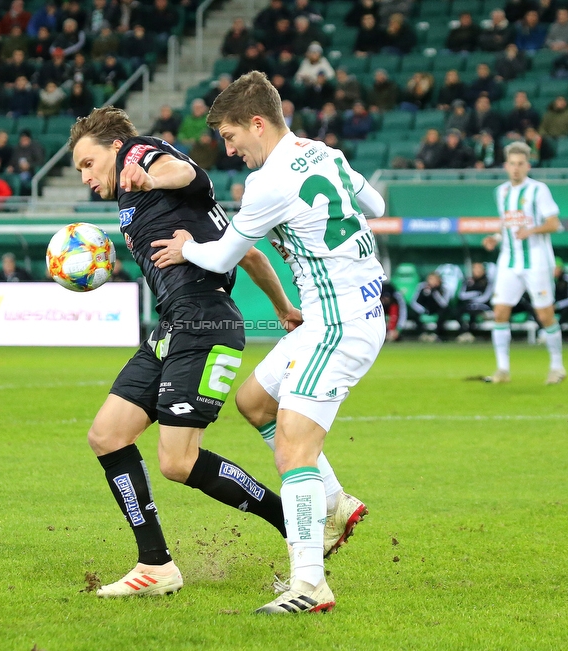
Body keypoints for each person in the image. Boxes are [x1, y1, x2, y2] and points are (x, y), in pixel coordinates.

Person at [150, 71, 386, 614]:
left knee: (292, 448)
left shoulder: (268, 182)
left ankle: (310, 584)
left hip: (340, 321)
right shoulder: (323, 152)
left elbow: (220, 258)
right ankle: (335, 504)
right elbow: (371, 205)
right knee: (254, 400)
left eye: (232, 138)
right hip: (345, 309)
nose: (230, 151)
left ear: (258, 123)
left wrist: (186, 246)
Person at [67, 105, 304, 601]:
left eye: (87, 164)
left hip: (204, 326)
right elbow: (252, 253)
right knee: (107, 435)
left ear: (114, 148)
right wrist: (283, 307)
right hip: (175, 325)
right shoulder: (162, 204)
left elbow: (187, 171)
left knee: (178, 461)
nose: (86, 178)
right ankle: (155, 566)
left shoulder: (142, 158)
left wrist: (148, 175)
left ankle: (294, 522)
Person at [482, 141, 565, 384]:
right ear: (506, 166)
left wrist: (532, 231)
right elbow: (506, 224)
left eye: (520, 164)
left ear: (528, 165)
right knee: (499, 312)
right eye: (512, 164)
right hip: (508, 260)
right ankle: (503, 370)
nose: (516, 169)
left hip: (536, 261)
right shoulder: (502, 192)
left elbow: (554, 223)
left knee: (545, 314)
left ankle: (557, 366)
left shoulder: (539, 190)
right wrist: (496, 238)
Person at [456, 262, 493, 342]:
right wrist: (475, 294)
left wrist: (473, 300)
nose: (476, 271)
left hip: (483, 306)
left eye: (479, 269)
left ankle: (471, 333)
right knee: (457, 311)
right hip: (469, 304)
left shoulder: (488, 282)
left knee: (473, 313)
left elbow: (485, 297)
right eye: (475, 269)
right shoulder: (468, 281)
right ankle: (463, 333)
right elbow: (461, 295)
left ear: (484, 270)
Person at [409, 271, 451, 341]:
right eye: (429, 279)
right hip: (425, 309)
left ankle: (439, 335)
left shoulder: (444, 289)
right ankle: (422, 334)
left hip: (438, 309)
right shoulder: (422, 286)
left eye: (433, 279)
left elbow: (444, 304)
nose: (430, 281)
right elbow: (413, 302)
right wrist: (423, 310)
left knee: (444, 313)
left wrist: (434, 292)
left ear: (438, 280)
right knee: (414, 313)